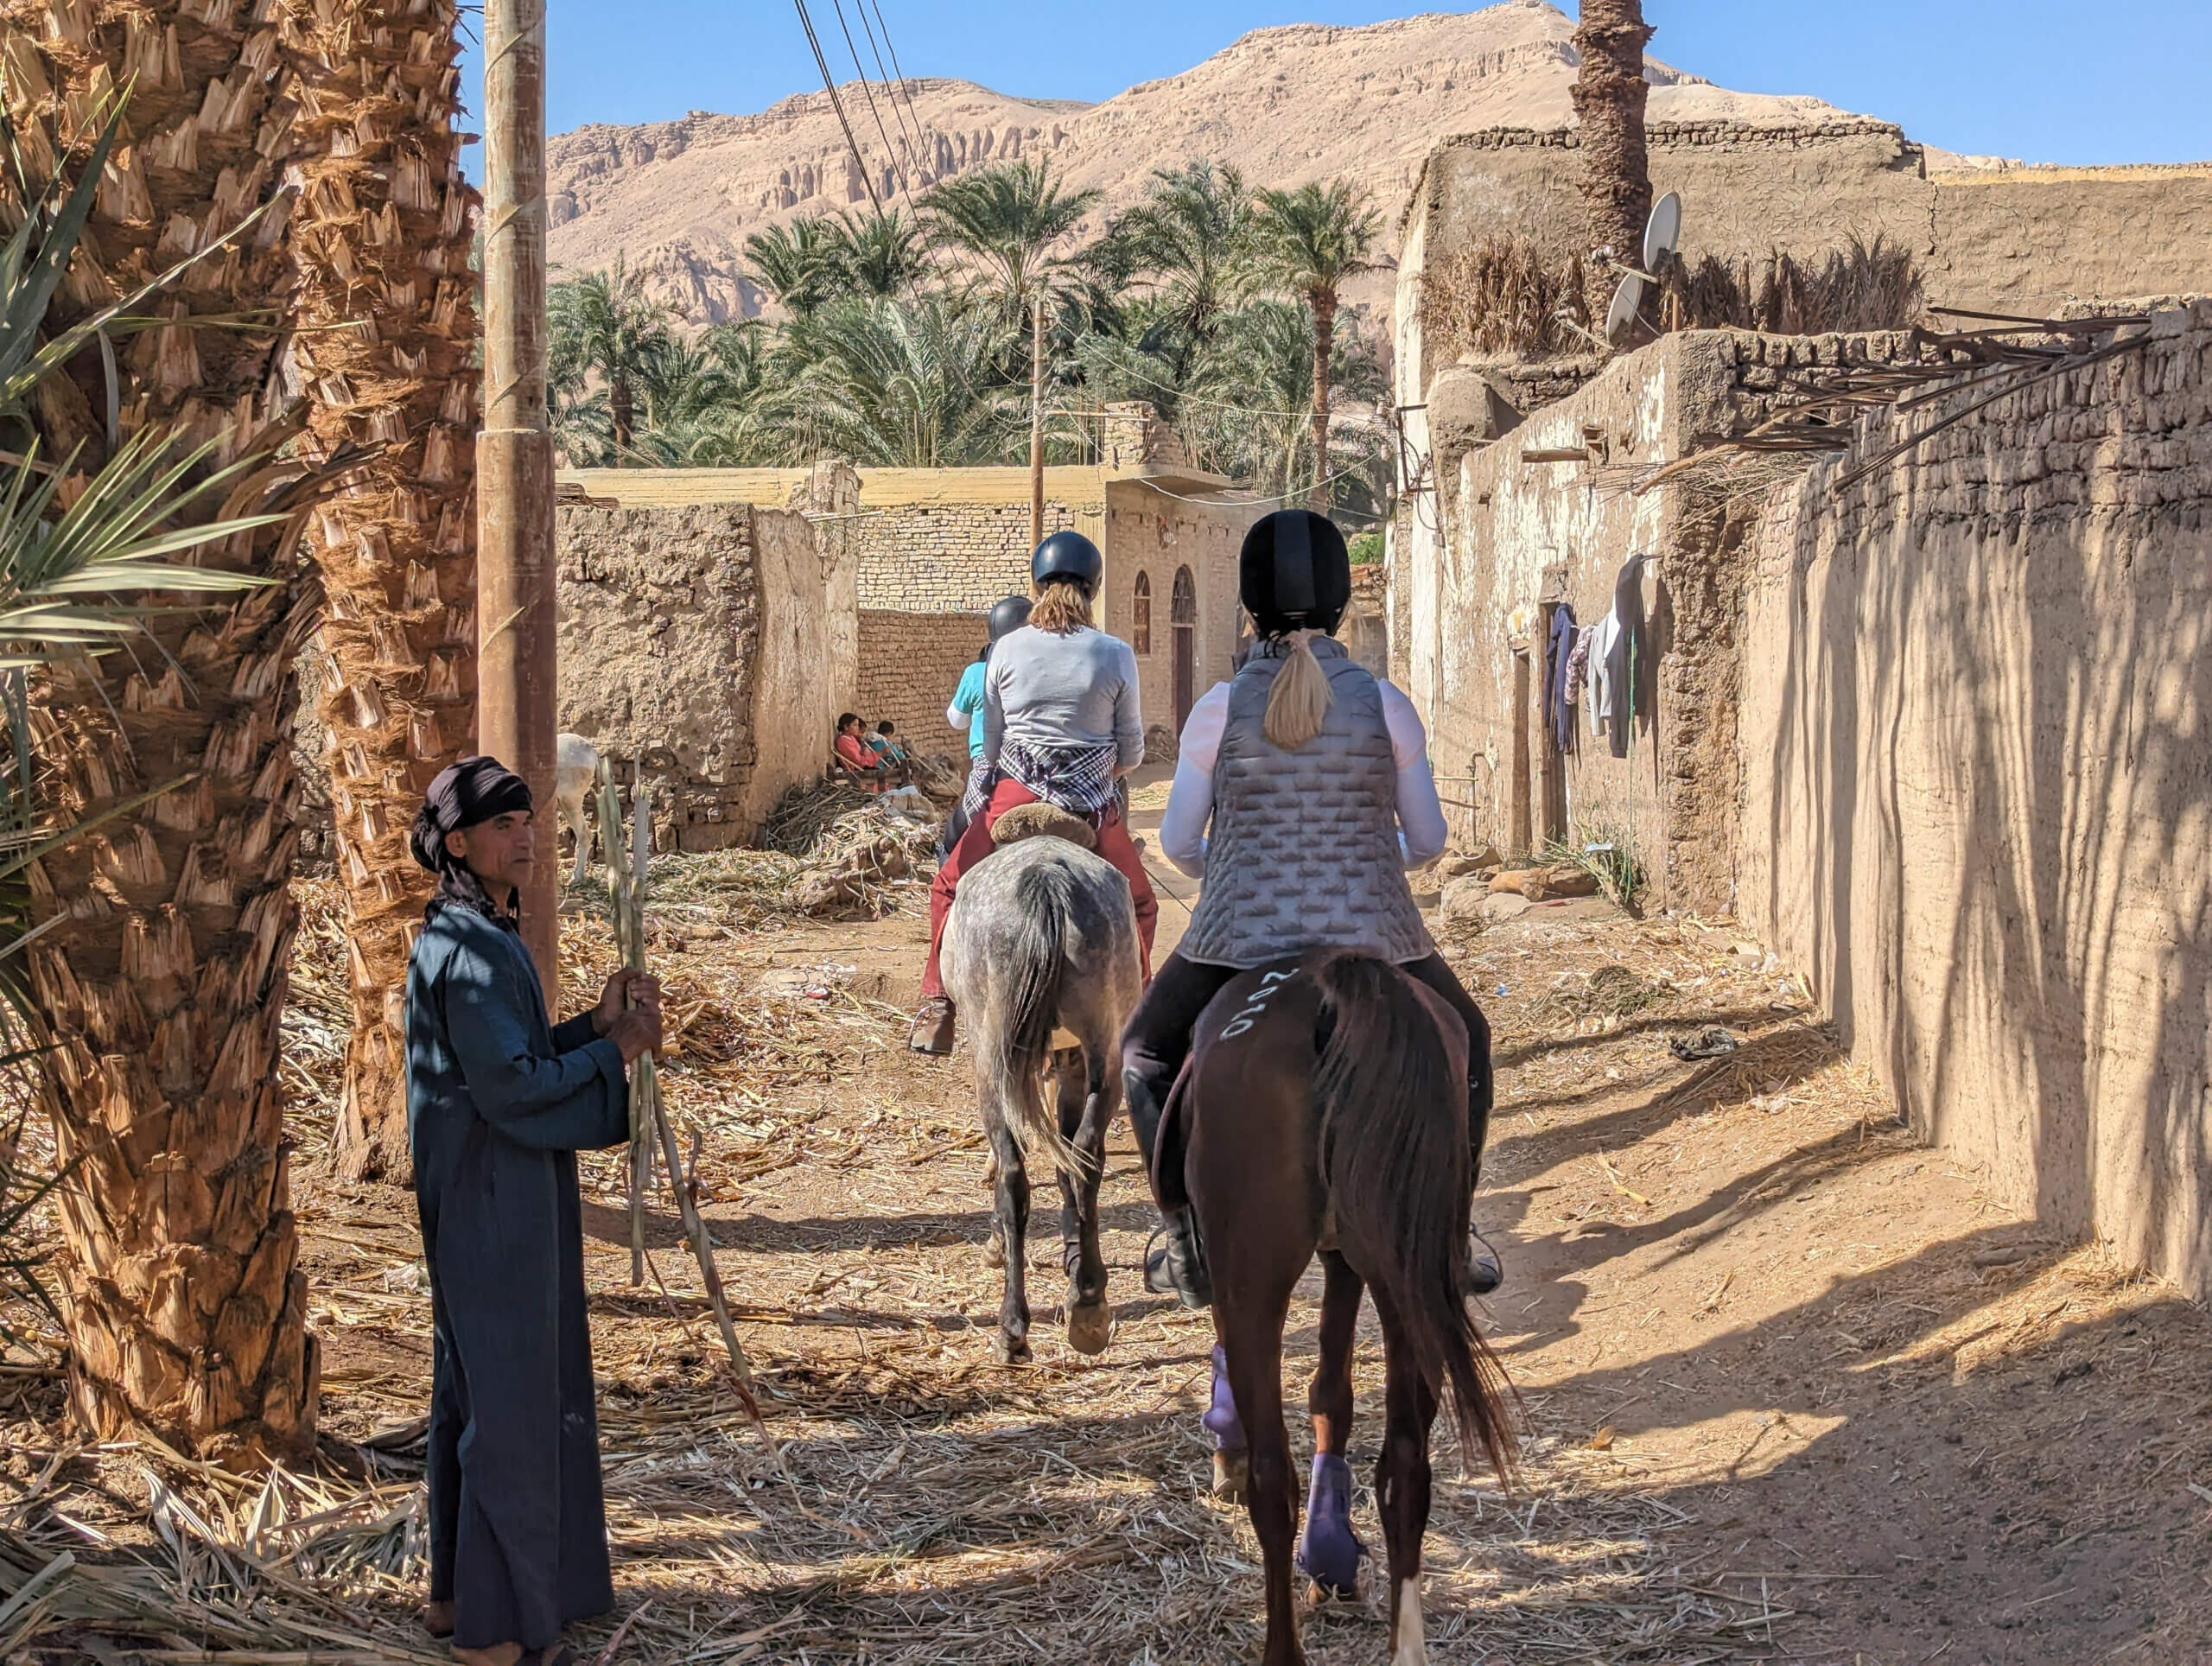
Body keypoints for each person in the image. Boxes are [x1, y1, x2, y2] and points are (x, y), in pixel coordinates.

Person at [1119, 509, 1502, 1308]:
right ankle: (1456, 1233)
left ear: (1251, 608)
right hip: (1376, 932)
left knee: (1145, 1057)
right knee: (1468, 1038)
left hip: (1237, 935)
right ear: (1337, 606)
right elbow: (1427, 838)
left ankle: (1184, 1236)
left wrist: (1235, 869)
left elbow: (1181, 840)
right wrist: (1367, 863)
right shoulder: (1383, 702)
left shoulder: (1217, 710)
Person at [404, 756, 664, 1666]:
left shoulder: (475, 933)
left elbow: (508, 1059)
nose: (525, 835)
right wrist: (615, 1056)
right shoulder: (471, 952)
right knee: (509, 1398)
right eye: (503, 823)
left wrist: (593, 1031)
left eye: (528, 819)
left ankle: (455, 1596)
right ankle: (494, 1629)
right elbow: (510, 1091)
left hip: (489, 1183)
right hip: (491, 1191)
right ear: (461, 842)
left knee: (474, 1385)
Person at [910, 534, 1156, 1054]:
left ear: (1036, 585)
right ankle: (1138, 1004)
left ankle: (936, 1004)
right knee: (1140, 902)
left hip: (1014, 798)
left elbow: (991, 747)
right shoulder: (1115, 653)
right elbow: (1131, 752)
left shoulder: (1004, 650)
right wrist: (1092, 770)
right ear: (1093, 588)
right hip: (1089, 805)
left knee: (946, 887)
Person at [941, 595, 1032, 855]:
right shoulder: (1044, 667)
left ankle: (945, 887)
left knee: (956, 833)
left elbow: (956, 721)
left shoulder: (977, 672)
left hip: (990, 766)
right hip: (1042, 765)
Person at [833, 711, 884, 789]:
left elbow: (861, 753)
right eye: (855, 725)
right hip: (855, 770)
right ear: (846, 727)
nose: (858, 728)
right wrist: (879, 753)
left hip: (860, 766)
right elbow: (859, 760)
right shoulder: (843, 741)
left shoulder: (851, 738)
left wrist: (865, 751)